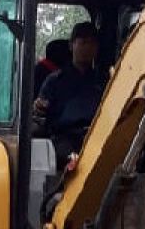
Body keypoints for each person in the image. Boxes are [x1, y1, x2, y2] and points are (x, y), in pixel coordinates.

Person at [34, 21, 107, 167]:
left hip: (97, 137)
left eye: (92, 43)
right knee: (73, 160)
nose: (87, 47)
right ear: (71, 45)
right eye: (83, 42)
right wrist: (38, 107)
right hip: (65, 138)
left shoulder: (105, 81)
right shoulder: (54, 80)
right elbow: (40, 112)